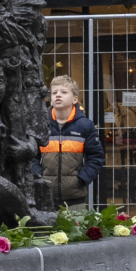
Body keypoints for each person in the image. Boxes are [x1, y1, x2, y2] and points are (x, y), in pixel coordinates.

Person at [38, 72, 104, 207]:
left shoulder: (85, 126)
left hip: (75, 198)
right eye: (54, 92)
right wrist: (39, 176)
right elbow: (31, 155)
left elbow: (96, 157)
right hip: (45, 196)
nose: (58, 95)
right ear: (50, 99)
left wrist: (82, 179)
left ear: (75, 99)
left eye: (63, 92)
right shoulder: (41, 125)